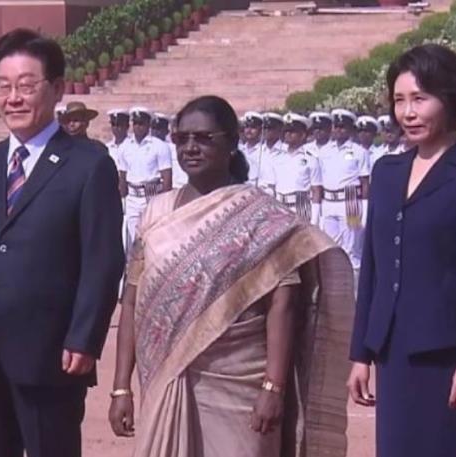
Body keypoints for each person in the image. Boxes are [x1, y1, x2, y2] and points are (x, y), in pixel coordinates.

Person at [108, 95, 354, 457]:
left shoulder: (263, 217)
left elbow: (282, 305)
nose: (191, 148)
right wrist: (121, 388)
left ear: (232, 143)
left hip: (240, 384)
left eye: (204, 138)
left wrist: (274, 387)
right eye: (182, 139)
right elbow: (131, 301)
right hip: (166, 380)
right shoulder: (156, 213)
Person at [0, 29, 124, 457]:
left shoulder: (88, 165)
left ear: (56, 89)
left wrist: (85, 337)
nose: (13, 98)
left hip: (51, 354)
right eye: (3, 87)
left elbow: (103, 261)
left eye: (26, 86)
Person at [347, 44, 456, 457]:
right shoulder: (386, 172)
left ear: (449, 99)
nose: (408, 113)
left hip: (448, 357)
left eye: (420, 99)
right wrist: (361, 353)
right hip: (393, 354)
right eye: (399, 100)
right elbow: (373, 269)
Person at [317, 109, 370, 272]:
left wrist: (365, 209)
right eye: (336, 127)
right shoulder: (324, 151)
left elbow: (365, 183)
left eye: (343, 127)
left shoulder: (359, 151)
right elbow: (320, 181)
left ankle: (354, 282)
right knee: (330, 245)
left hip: (351, 200)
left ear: (350, 129)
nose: (339, 130)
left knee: (352, 246)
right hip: (329, 201)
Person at [118, 106, 172, 255]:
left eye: (141, 123)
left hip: (152, 195)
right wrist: (122, 199)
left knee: (153, 236)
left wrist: (164, 202)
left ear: (148, 124)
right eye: (135, 123)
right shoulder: (125, 147)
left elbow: (167, 177)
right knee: (133, 238)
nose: (138, 127)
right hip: (133, 197)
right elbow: (122, 175)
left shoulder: (159, 146)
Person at [268, 112, 323, 225]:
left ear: (302, 135)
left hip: (301, 206)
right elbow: (272, 187)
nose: (288, 134)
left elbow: (316, 190)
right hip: (280, 206)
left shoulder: (311, 158)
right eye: (286, 131)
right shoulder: (276, 157)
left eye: (292, 132)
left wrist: (315, 218)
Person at [152, 113, 188, 189]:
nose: (156, 132)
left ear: (167, 131)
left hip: (176, 187)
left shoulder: (174, 149)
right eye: (154, 128)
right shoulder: (146, 149)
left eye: (159, 128)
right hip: (154, 188)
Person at [255, 112, 286, 193]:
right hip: (260, 193)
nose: (266, 131)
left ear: (279, 130)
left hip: (280, 194)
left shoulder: (286, 151)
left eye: (270, 128)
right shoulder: (258, 151)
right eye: (264, 128)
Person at [239, 111, 264, 186]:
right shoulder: (240, 150)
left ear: (260, 130)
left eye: (253, 127)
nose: (249, 130)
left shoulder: (265, 151)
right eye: (247, 127)